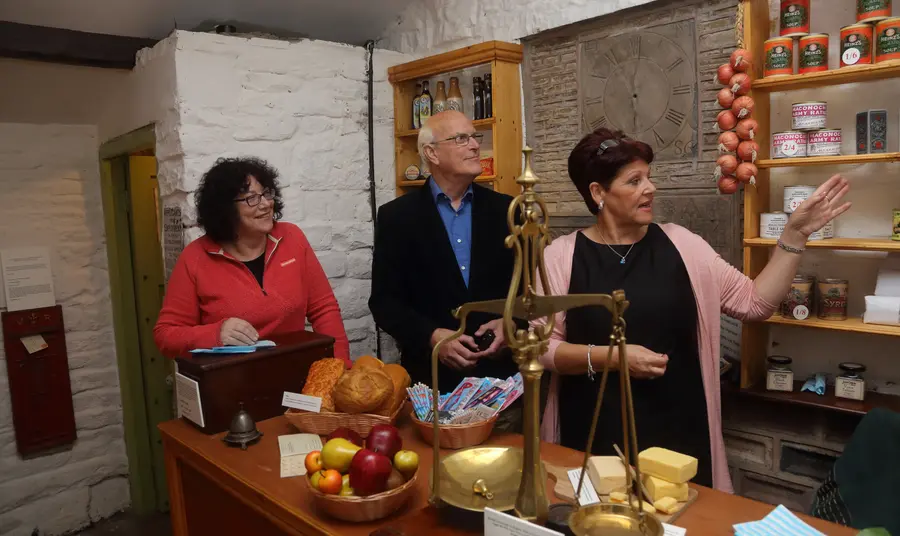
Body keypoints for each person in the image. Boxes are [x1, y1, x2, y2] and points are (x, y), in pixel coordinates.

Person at [533, 128, 850, 492]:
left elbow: (755, 303)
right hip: (592, 432)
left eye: (648, 178)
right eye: (634, 181)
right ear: (597, 192)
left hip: (680, 434)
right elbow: (542, 348)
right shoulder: (561, 257)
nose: (650, 188)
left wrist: (794, 236)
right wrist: (614, 358)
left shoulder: (683, 245)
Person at [369, 110, 520, 398]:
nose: (475, 145)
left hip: (503, 385)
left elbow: (531, 289)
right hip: (433, 386)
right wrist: (433, 337)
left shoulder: (508, 211)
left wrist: (511, 323)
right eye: (461, 139)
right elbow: (384, 303)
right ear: (432, 153)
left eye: (474, 137)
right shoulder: (397, 217)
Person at [154, 157, 351, 366]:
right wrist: (215, 334)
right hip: (232, 385)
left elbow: (324, 309)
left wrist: (339, 367)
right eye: (251, 198)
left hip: (297, 373)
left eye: (266, 193)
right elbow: (165, 336)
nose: (266, 204)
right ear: (225, 209)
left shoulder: (292, 237)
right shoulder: (195, 258)